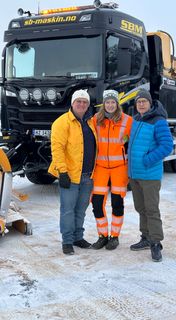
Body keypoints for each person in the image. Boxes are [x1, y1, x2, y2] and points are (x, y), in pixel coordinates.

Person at [48, 89, 97, 255]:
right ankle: (67, 241)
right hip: (70, 175)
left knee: (81, 209)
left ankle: (78, 237)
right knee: (68, 210)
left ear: (88, 105)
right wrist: (62, 172)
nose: (82, 104)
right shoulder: (61, 123)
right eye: (79, 101)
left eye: (85, 102)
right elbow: (57, 148)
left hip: (88, 176)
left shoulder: (90, 123)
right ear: (72, 103)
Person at [128, 89, 173, 262]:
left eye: (144, 101)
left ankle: (156, 243)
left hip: (150, 174)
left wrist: (147, 160)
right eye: (138, 102)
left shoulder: (158, 121)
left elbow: (167, 146)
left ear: (150, 103)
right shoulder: (136, 120)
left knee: (152, 209)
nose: (141, 104)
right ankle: (145, 237)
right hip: (135, 174)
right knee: (141, 208)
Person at [91, 89, 133, 250]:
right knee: (97, 203)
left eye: (113, 102)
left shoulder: (127, 121)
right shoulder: (95, 120)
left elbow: (134, 140)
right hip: (100, 167)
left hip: (119, 168)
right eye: (107, 102)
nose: (110, 105)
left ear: (117, 104)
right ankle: (102, 235)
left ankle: (114, 237)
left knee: (117, 203)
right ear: (104, 104)